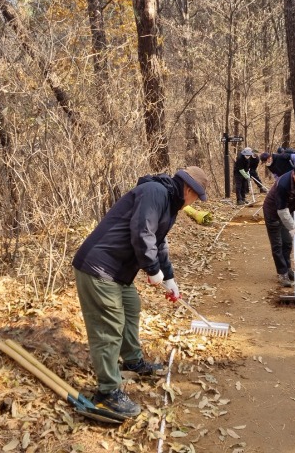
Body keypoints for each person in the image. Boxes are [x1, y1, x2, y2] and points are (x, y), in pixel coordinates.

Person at [72, 166, 209, 417]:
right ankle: (107, 392)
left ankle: (132, 360)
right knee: (109, 327)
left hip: (119, 271)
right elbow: (142, 232)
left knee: (131, 306)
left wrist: (168, 277)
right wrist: (151, 268)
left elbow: (159, 243)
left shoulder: (170, 203)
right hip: (99, 266)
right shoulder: (155, 192)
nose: (194, 203)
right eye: (196, 197)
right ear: (188, 189)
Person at [262, 162, 295, 287]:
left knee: (287, 242)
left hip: (288, 210)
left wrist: (293, 212)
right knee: (277, 244)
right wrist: (292, 226)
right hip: (273, 212)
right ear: (294, 175)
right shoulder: (283, 184)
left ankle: (288, 269)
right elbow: (281, 211)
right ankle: (282, 273)